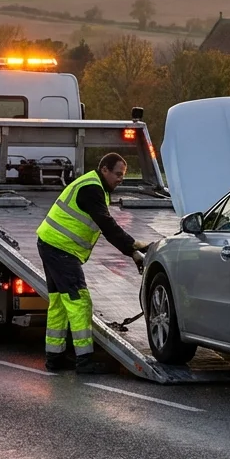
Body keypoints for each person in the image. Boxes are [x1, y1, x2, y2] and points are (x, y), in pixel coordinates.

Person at [36, 152, 149, 373]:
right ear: (104, 169)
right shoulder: (92, 189)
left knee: (59, 303)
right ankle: (85, 361)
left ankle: (55, 358)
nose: (120, 179)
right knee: (80, 302)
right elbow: (107, 225)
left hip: (51, 244)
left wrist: (132, 252)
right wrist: (134, 246)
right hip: (60, 248)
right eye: (117, 174)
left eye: (123, 176)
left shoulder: (95, 185)